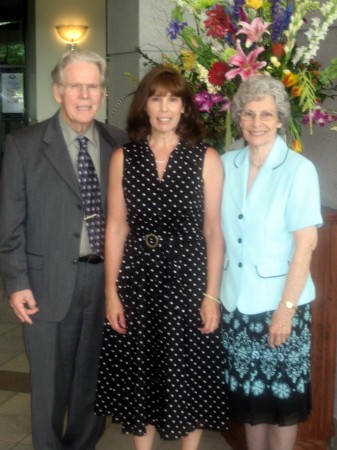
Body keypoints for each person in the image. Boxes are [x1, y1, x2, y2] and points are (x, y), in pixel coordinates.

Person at [94, 65, 229, 450]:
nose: (165, 107)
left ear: (186, 107)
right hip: (137, 281)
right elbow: (117, 228)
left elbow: (214, 232)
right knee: (141, 373)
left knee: (187, 374)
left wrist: (212, 295)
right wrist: (111, 293)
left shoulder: (206, 158)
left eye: (174, 99)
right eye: (156, 98)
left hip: (188, 283)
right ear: (145, 105)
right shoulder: (124, 157)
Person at [0, 50, 128, 449]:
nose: (85, 95)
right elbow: (10, 223)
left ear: (104, 93)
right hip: (45, 286)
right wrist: (17, 282)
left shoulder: (119, 143)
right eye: (76, 86)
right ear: (58, 91)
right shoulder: (23, 145)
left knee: (92, 389)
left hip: (104, 285)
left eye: (93, 86)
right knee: (49, 391)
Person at [220, 74, 323, 450]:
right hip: (235, 305)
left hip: (281, 305)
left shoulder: (299, 170)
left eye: (266, 114)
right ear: (239, 119)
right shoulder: (225, 164)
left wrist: (286, 309)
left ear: (280, 119)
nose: (256, 123)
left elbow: (306, 246)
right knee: (250, 401)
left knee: (282, 401)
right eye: (248, 114)